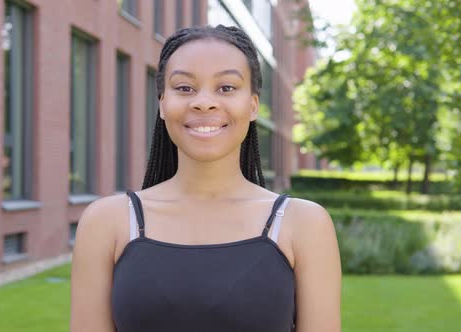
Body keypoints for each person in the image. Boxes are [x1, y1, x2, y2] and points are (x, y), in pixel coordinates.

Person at [70, 25, 341, 332]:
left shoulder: (303, 224)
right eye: (184, 88)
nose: (204, 102)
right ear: (161, 103)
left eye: (226, 88)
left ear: (252, 105)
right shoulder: (107, 223)